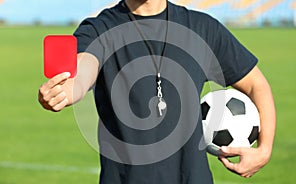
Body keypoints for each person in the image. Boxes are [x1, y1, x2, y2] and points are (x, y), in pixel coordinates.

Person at [38, 0, 276, 183]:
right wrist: (72, 88)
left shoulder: (203, 28)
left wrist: (264, 150)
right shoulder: (100, 28)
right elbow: (86, 64)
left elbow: (256, 84)